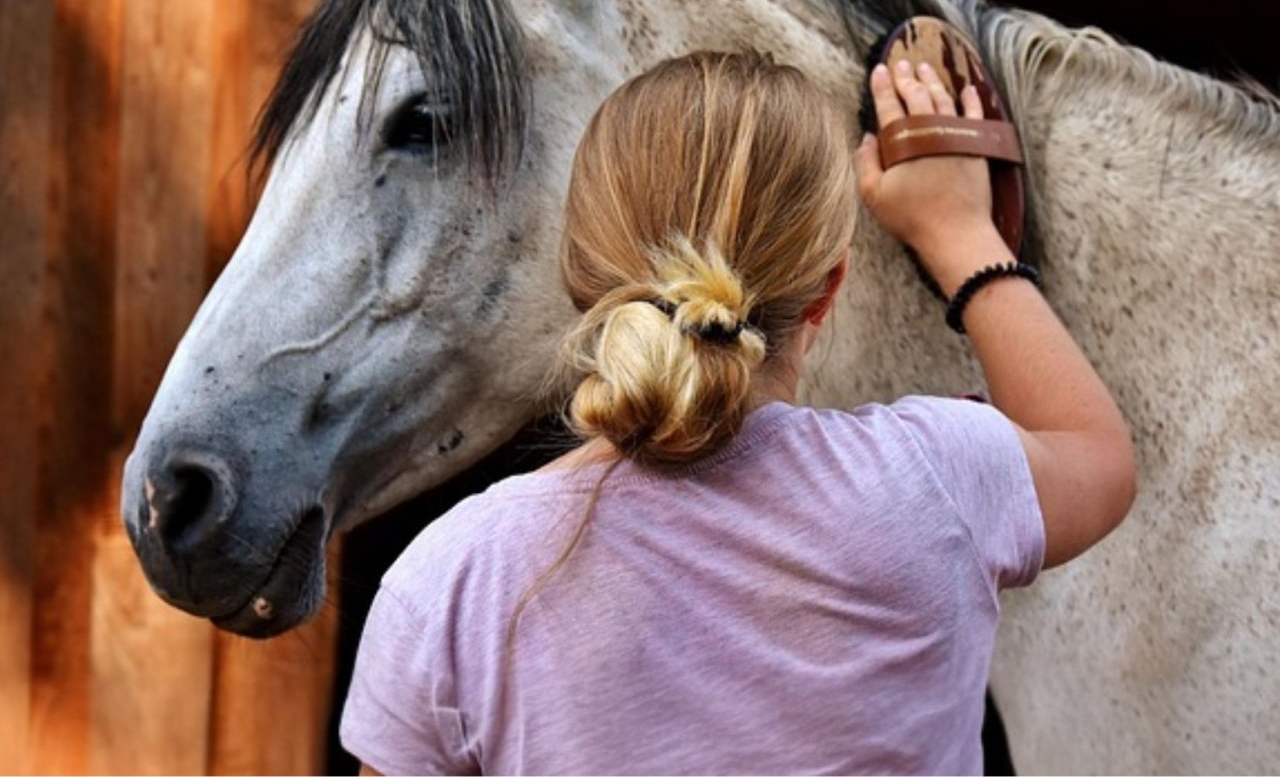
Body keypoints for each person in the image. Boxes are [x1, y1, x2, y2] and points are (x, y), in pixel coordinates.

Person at [341, 51, 1136, 776]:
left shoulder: (449, 584)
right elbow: (1095, 455)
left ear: (581, 278)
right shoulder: (935, 478)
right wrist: (960, 233)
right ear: (831, 284)